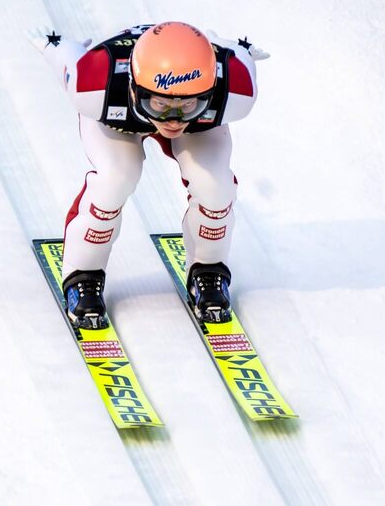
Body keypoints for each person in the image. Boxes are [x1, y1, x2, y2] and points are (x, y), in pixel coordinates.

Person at [30, 22, 268, 329]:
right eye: (159, 104)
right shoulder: (94, 83)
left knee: (215, 186)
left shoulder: (237, 89)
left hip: (134, 112)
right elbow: (69, 62)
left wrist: (231, 46)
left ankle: (209, 267)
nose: (173, 120)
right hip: (122, 114)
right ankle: (82, 272)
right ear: (132, 87)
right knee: (115, 178)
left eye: (188, 105)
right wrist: (56, 46)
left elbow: (236, 54)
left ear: (212, 91)